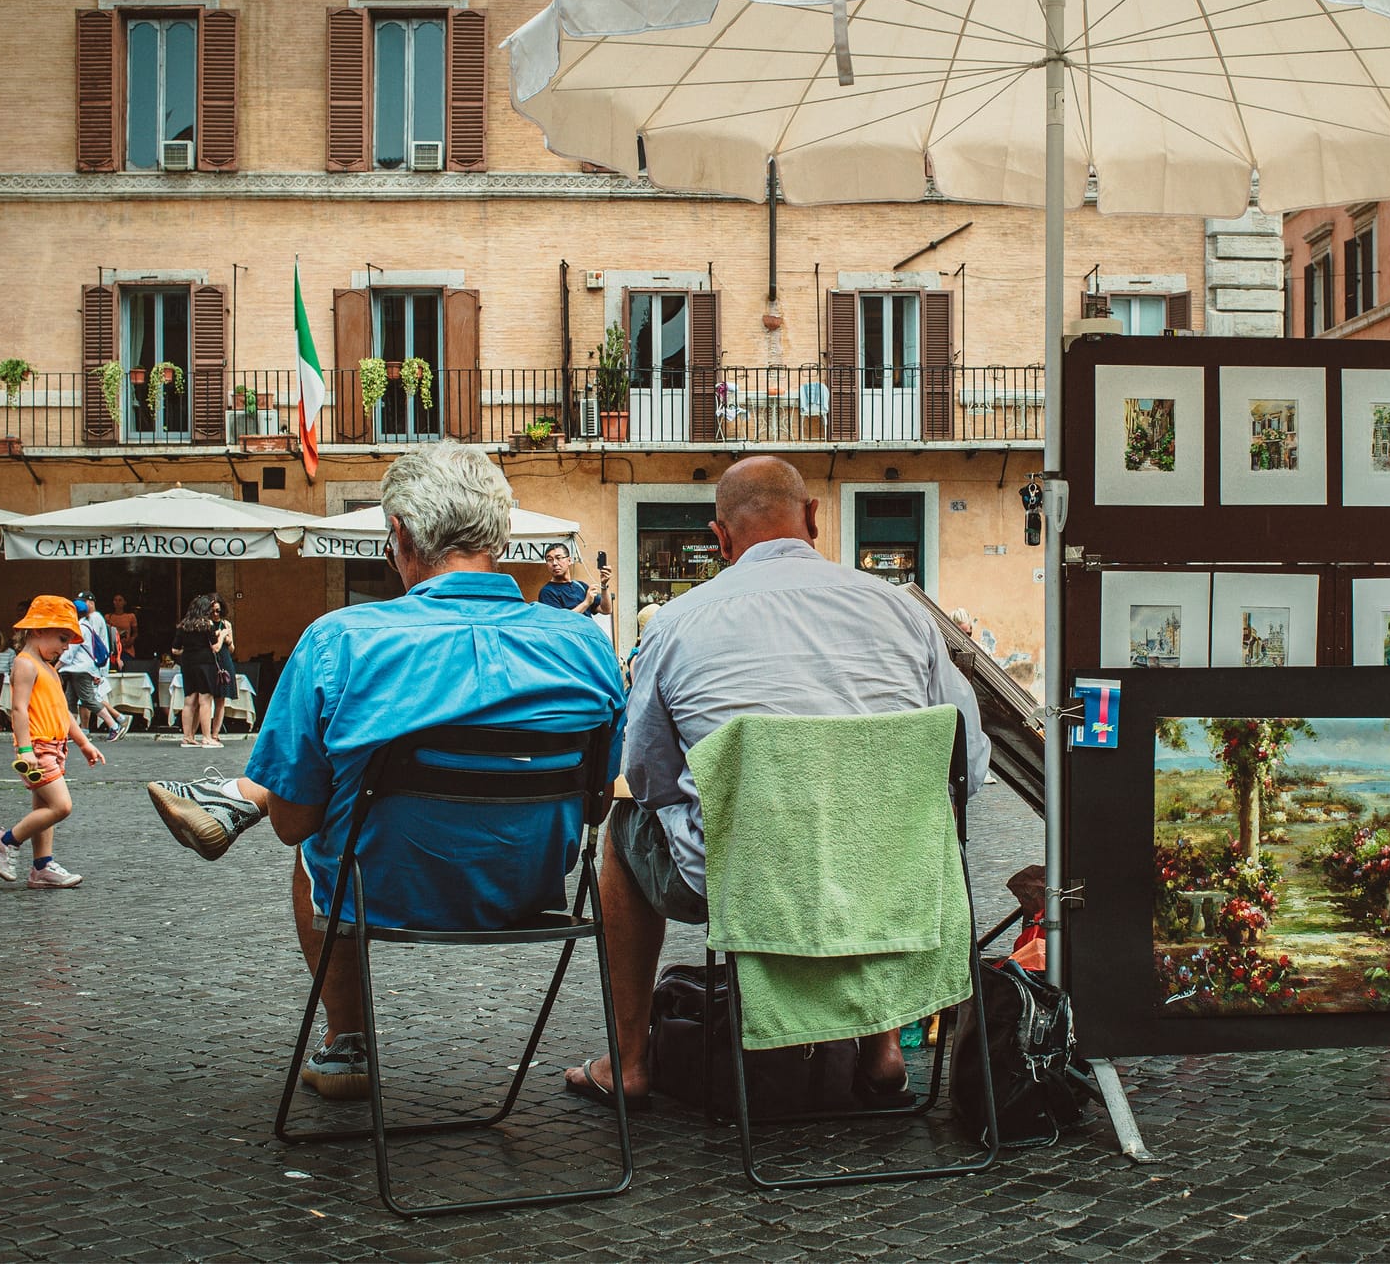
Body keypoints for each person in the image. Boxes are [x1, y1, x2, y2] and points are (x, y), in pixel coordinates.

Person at [139, 443, 626, 1100]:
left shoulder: (339, 640)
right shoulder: (587, 646)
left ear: (396, 534)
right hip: (528, 885)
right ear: (502, 535)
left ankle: (348, 1044)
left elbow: (294, 823)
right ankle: (233, 797)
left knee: (315, 846)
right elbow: (597, 806)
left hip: (386, 890)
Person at [562, 456, 990, 1113]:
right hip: (883, 869)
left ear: (720, 538)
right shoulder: (903, 614)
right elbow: (969, 761)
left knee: (623, 834)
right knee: (869, 828)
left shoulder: (676, 624)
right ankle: (882, 1053)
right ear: (814, 517)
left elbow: (646, 780)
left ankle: (629, 1063)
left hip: (741, 876)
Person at [0, 597, 103, 889]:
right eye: (62, 638)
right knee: (61, 806)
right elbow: (18, 709)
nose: (66, 646)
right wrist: (25, 750)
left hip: (54, 746)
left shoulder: (47, 667)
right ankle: (4, 840)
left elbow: (64, 712)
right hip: (37, 748)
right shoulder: (25, 664)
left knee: (44, 809)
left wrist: (84, 743)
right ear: (37, 630)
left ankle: (42, 867)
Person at [59, 593, 131, 744]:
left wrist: (56, 666)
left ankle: (114, 726)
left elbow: (70, 651)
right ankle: (73, 731)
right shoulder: (85, 623)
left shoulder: (83, 625)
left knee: (89, 699)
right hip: (76, 669)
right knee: (70, 701)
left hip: (81, 669)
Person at [172, 595, 222, 748]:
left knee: (189, 700)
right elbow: (216, 648)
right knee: (205, 700)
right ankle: (207, 737)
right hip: (205, 663)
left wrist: (190, 650)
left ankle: (187, 737)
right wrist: (222, 636)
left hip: (188, 663)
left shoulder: (183, 625)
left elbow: (175, 649)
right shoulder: (207, 625)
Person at [536, 543, 612, 616]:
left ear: (569, 560)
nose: (554, 563)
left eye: (558, 558)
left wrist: (604, 585)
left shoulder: (581, 586)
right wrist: (586, 603)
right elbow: (558, 622)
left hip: (589, 628)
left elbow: (606, 610)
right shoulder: (547, 592)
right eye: (550, 560)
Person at [209, 596, 238, 741]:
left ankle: (215, 733)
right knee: (207, 697)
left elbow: (232, 649)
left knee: (221, 699)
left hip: (224, 661)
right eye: (213, 611)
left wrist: (228, 640)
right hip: (210, 662)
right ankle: (205, 732)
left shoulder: (226, 624)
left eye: (218, 611)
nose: (215, 614)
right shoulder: (206, 624)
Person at [103, 593, 139, 663]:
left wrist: (131, 640)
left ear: (124, 602)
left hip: (127, 649)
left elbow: (135, 632)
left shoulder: (130, 616)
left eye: (120, 600)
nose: (117, 602)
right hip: (113, 650)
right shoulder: (108, 617)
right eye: (115, 600)